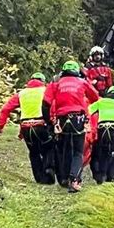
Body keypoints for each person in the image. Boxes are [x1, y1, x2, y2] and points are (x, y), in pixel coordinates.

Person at [42, 60, 99, 193]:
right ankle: (74, 180)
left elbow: (45, 104)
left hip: (61, 120)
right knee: (78, 152)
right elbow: (95, 97)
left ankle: (64, 178)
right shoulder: (82, 82)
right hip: (78, 119)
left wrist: (49, 123)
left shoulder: (55, 84)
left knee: (64, 150)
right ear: (76, 71)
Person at [0, 72, 55, 184]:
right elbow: (54, 107)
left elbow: (5, 109)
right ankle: (49, 169)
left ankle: (39, 178)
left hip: (26, 127)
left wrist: (0, 126)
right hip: (42, 124)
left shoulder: (21, 93)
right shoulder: (46, 91)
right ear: (43, 82)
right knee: (49, 148)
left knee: (33, 152)